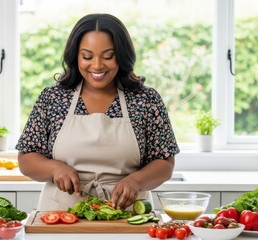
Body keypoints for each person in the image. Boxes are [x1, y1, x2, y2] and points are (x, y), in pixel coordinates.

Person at [16, 13, 180, 211]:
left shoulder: (145, 99)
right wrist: (55, 168)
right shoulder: (53, 98)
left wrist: (135, 181)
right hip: (61, 215)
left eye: (108, 56)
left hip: (127, 214)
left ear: (121, 55)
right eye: (87, 56)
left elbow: (164, 162)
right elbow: (27, 159)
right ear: (75, 56)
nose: (96, 65)